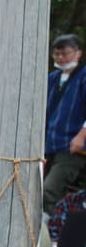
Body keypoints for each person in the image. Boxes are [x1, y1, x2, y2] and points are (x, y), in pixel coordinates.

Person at [43, 33, 86, 218]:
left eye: (65, 53)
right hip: (50, 144)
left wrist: (82, 136)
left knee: (48, 192)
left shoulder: (83, 76)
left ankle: (52, 230)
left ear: (78, 53)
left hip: (72, 147)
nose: (60, 58)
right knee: (39, 190)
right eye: (57, 54)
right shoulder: (53, 78)